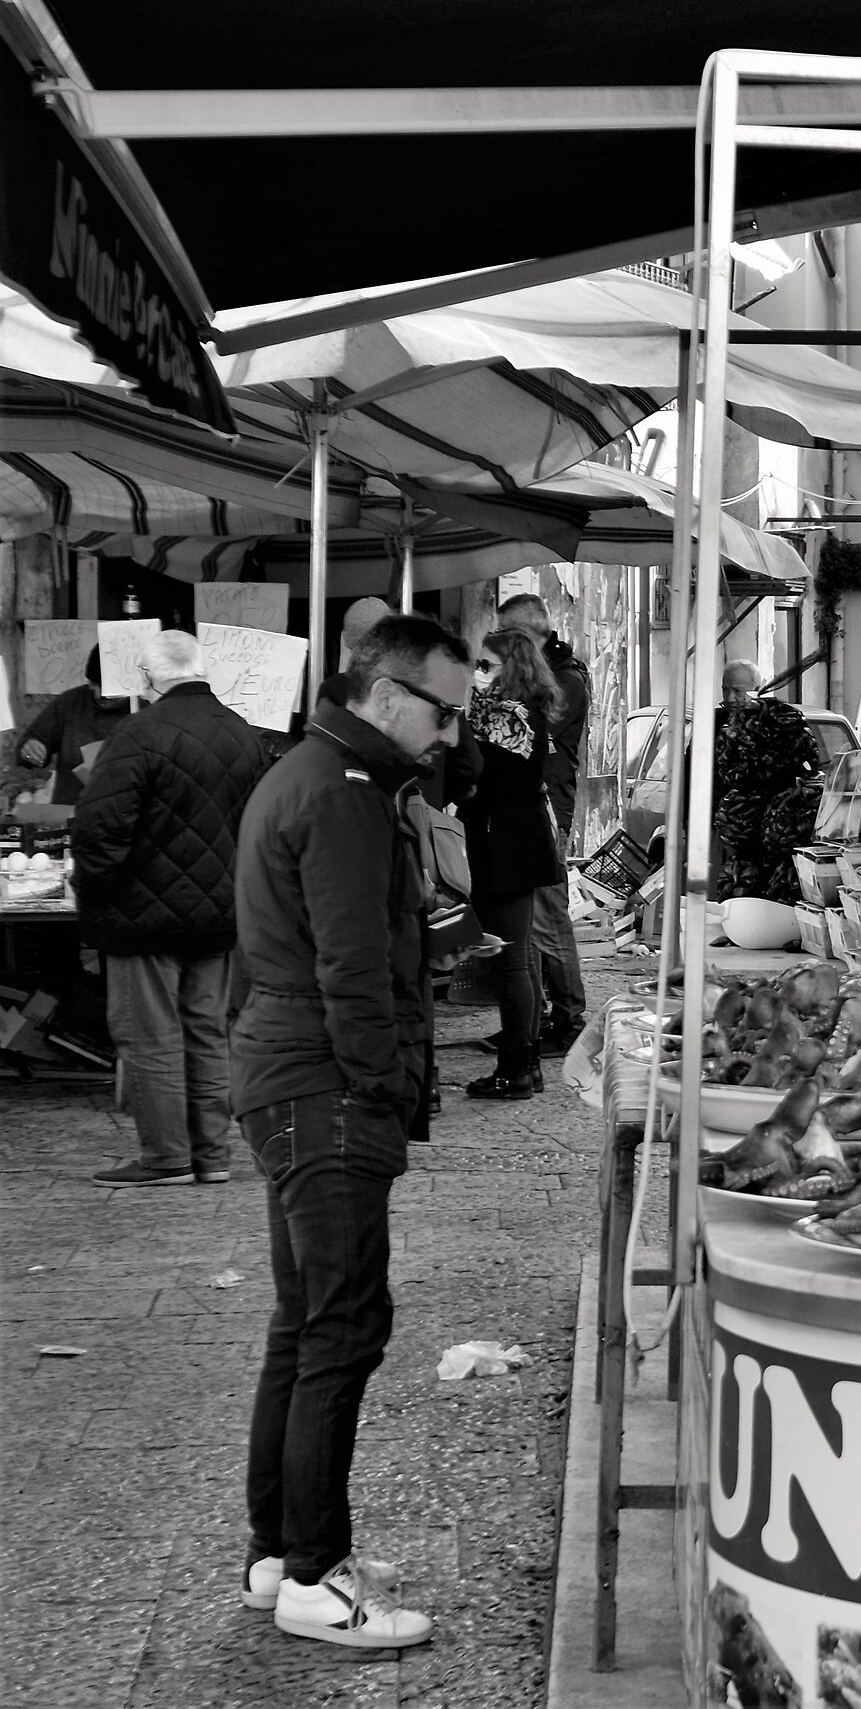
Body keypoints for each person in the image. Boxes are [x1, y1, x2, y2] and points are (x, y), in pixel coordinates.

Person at [232, 612, 463, 1650]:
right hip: (320, 1083)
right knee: (342, 1328)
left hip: (289, 1072)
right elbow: (353, 963)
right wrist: (382, 1085)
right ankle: (315, 1579)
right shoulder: (344, 793)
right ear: (386, 694)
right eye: (443, 712)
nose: (450, 733)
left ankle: (279, 1554)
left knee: (306, 1323)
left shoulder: (316, 772)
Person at [72, 630, 269, 1187]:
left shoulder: (138, 733)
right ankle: (212, 1156)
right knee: (207, 1031)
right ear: (201, 670)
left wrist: (94, 896)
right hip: (220, 912)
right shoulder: (242, 732)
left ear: (146, 678)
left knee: (150, 1035)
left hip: (143, 916)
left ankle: (166, 1157)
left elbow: (99, 829)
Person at [453, 626, 566, 1099]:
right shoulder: (517, 711)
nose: (477, 673)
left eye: (485, 665)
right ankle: (526, 1063)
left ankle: (515, 1068)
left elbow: (482, 779)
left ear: (510, 668)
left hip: (505, 844)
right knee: (518, 958)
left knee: (510, 959)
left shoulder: (507, 717)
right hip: (515, 841)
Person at [496, 593, 587, 1052]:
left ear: (530, 635)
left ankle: (570, 1021)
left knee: (549, 918)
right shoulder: (531, 675)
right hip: (522, 809)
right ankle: (534, 1019)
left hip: (548, 811)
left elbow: (527, 734)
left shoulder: (565, 680)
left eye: (506, 635)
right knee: (527, 922)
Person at [710, 660, 823, 900]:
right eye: (725, 690)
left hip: (778, 838)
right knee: (732, 896)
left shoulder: (782, 720)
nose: (730, 698)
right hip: (731, 837)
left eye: (738, 691)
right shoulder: (712, 725)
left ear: (757, 689)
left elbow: (810, 763)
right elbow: (696, 776)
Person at [15, 646, 134, 810]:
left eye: (108, 689)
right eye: (94, 684)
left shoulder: (145, 710)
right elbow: (27, 747)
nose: (98, 694)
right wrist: (30, 750)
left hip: (125, 812)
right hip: (71, 811)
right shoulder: (71, 703)